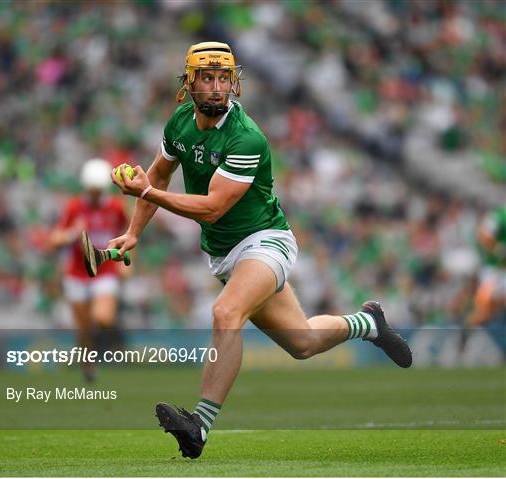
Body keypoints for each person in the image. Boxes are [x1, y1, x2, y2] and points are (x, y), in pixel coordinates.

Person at [109, 42, 412, 459]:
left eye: (223, 79)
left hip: (265, 240)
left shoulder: (245, 136)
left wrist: (144, 191)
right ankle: (369, 322)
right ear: (189, 84)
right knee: (302, 342)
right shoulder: (178, 123)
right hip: (224, 254)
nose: (217, 88)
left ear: (233, 83)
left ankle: (198, 425)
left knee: (225, 312)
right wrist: (133, 232)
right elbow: (158, 176)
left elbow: (213, 209)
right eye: (207, 78)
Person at [51, 158, 128, 382]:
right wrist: (71, 234)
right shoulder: (74, 207)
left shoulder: (115, 207)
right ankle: (88, 364)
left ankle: (102, 345)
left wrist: (125, 263)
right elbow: (55, 238)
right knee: (83, 328)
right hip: (77, 273)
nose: (95, 194)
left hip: (105, 271)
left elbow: (130, 232)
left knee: (102, 318)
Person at [468, 205, 506, 326]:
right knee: (484, 306)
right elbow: (484, 235)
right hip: (495, 269)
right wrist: (497, 249)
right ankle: (465, 336)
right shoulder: (500, 215)